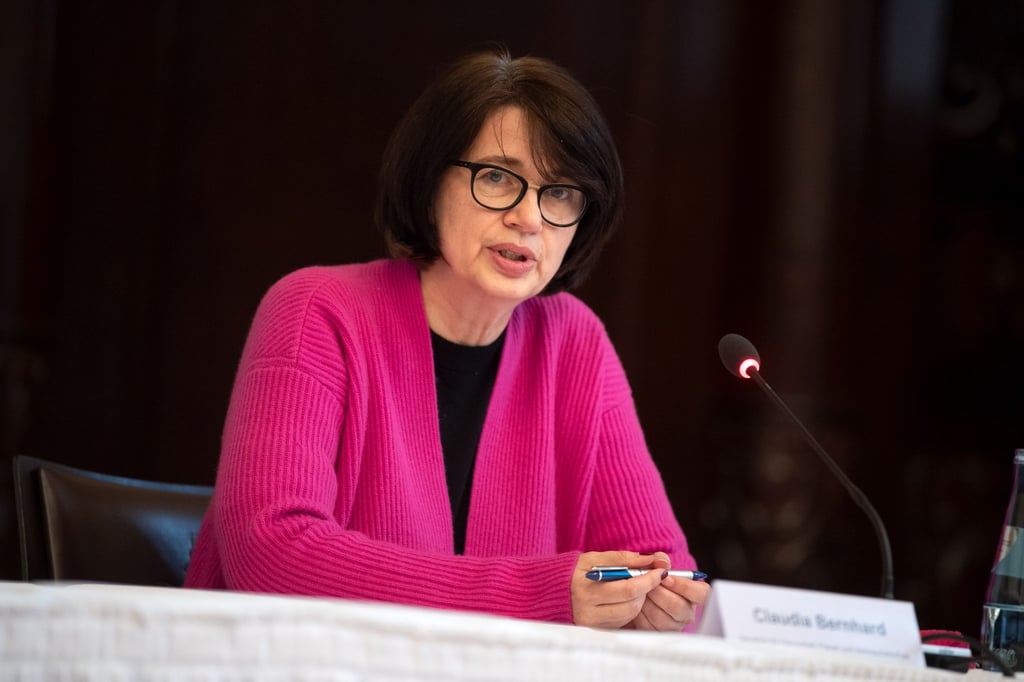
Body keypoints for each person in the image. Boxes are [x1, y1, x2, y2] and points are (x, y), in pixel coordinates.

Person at [185, 46, 710, 631]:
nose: (529, 218)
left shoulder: (576, 344)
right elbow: (272, 555)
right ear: (431, 179)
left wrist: (659, 602)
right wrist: (540, 595)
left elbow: (665, 565)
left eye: (560, 192)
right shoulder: (316, 312)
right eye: (497, 177)